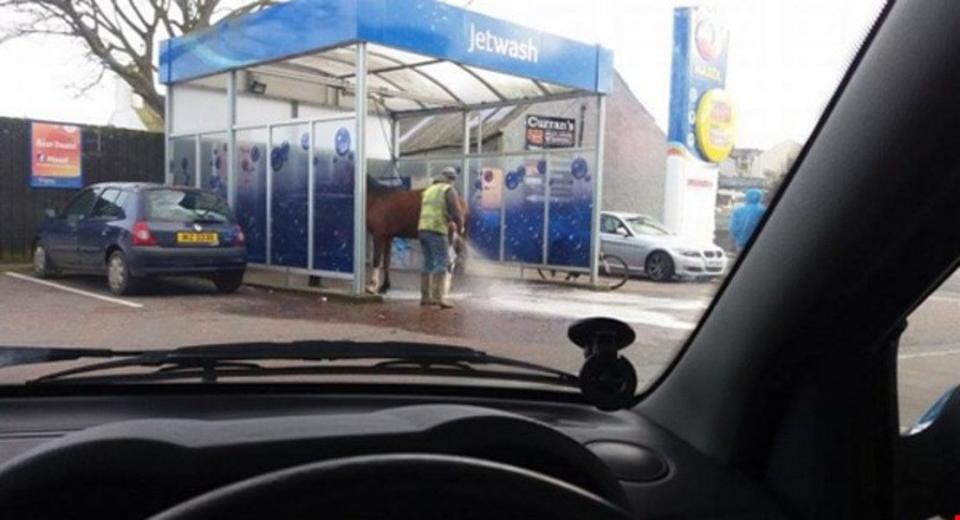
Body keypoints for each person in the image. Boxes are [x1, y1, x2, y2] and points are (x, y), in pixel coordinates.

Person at [418, 167, 464, 309]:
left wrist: (449, 220)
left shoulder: (429, 190)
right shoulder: (448, 190)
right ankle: (439, 298)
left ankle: (425, 297)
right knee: (442, 262)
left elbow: (436, 209)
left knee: (428, 263)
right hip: (437, 230)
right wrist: (460, 226)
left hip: (423, 229)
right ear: (452, 179)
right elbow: (456, 212)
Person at [729, 188, 766, 253]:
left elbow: (733, 228)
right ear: (760, 197)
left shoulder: (738, 211)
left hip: (741, 243)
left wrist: (736, 239)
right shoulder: (763, 211)